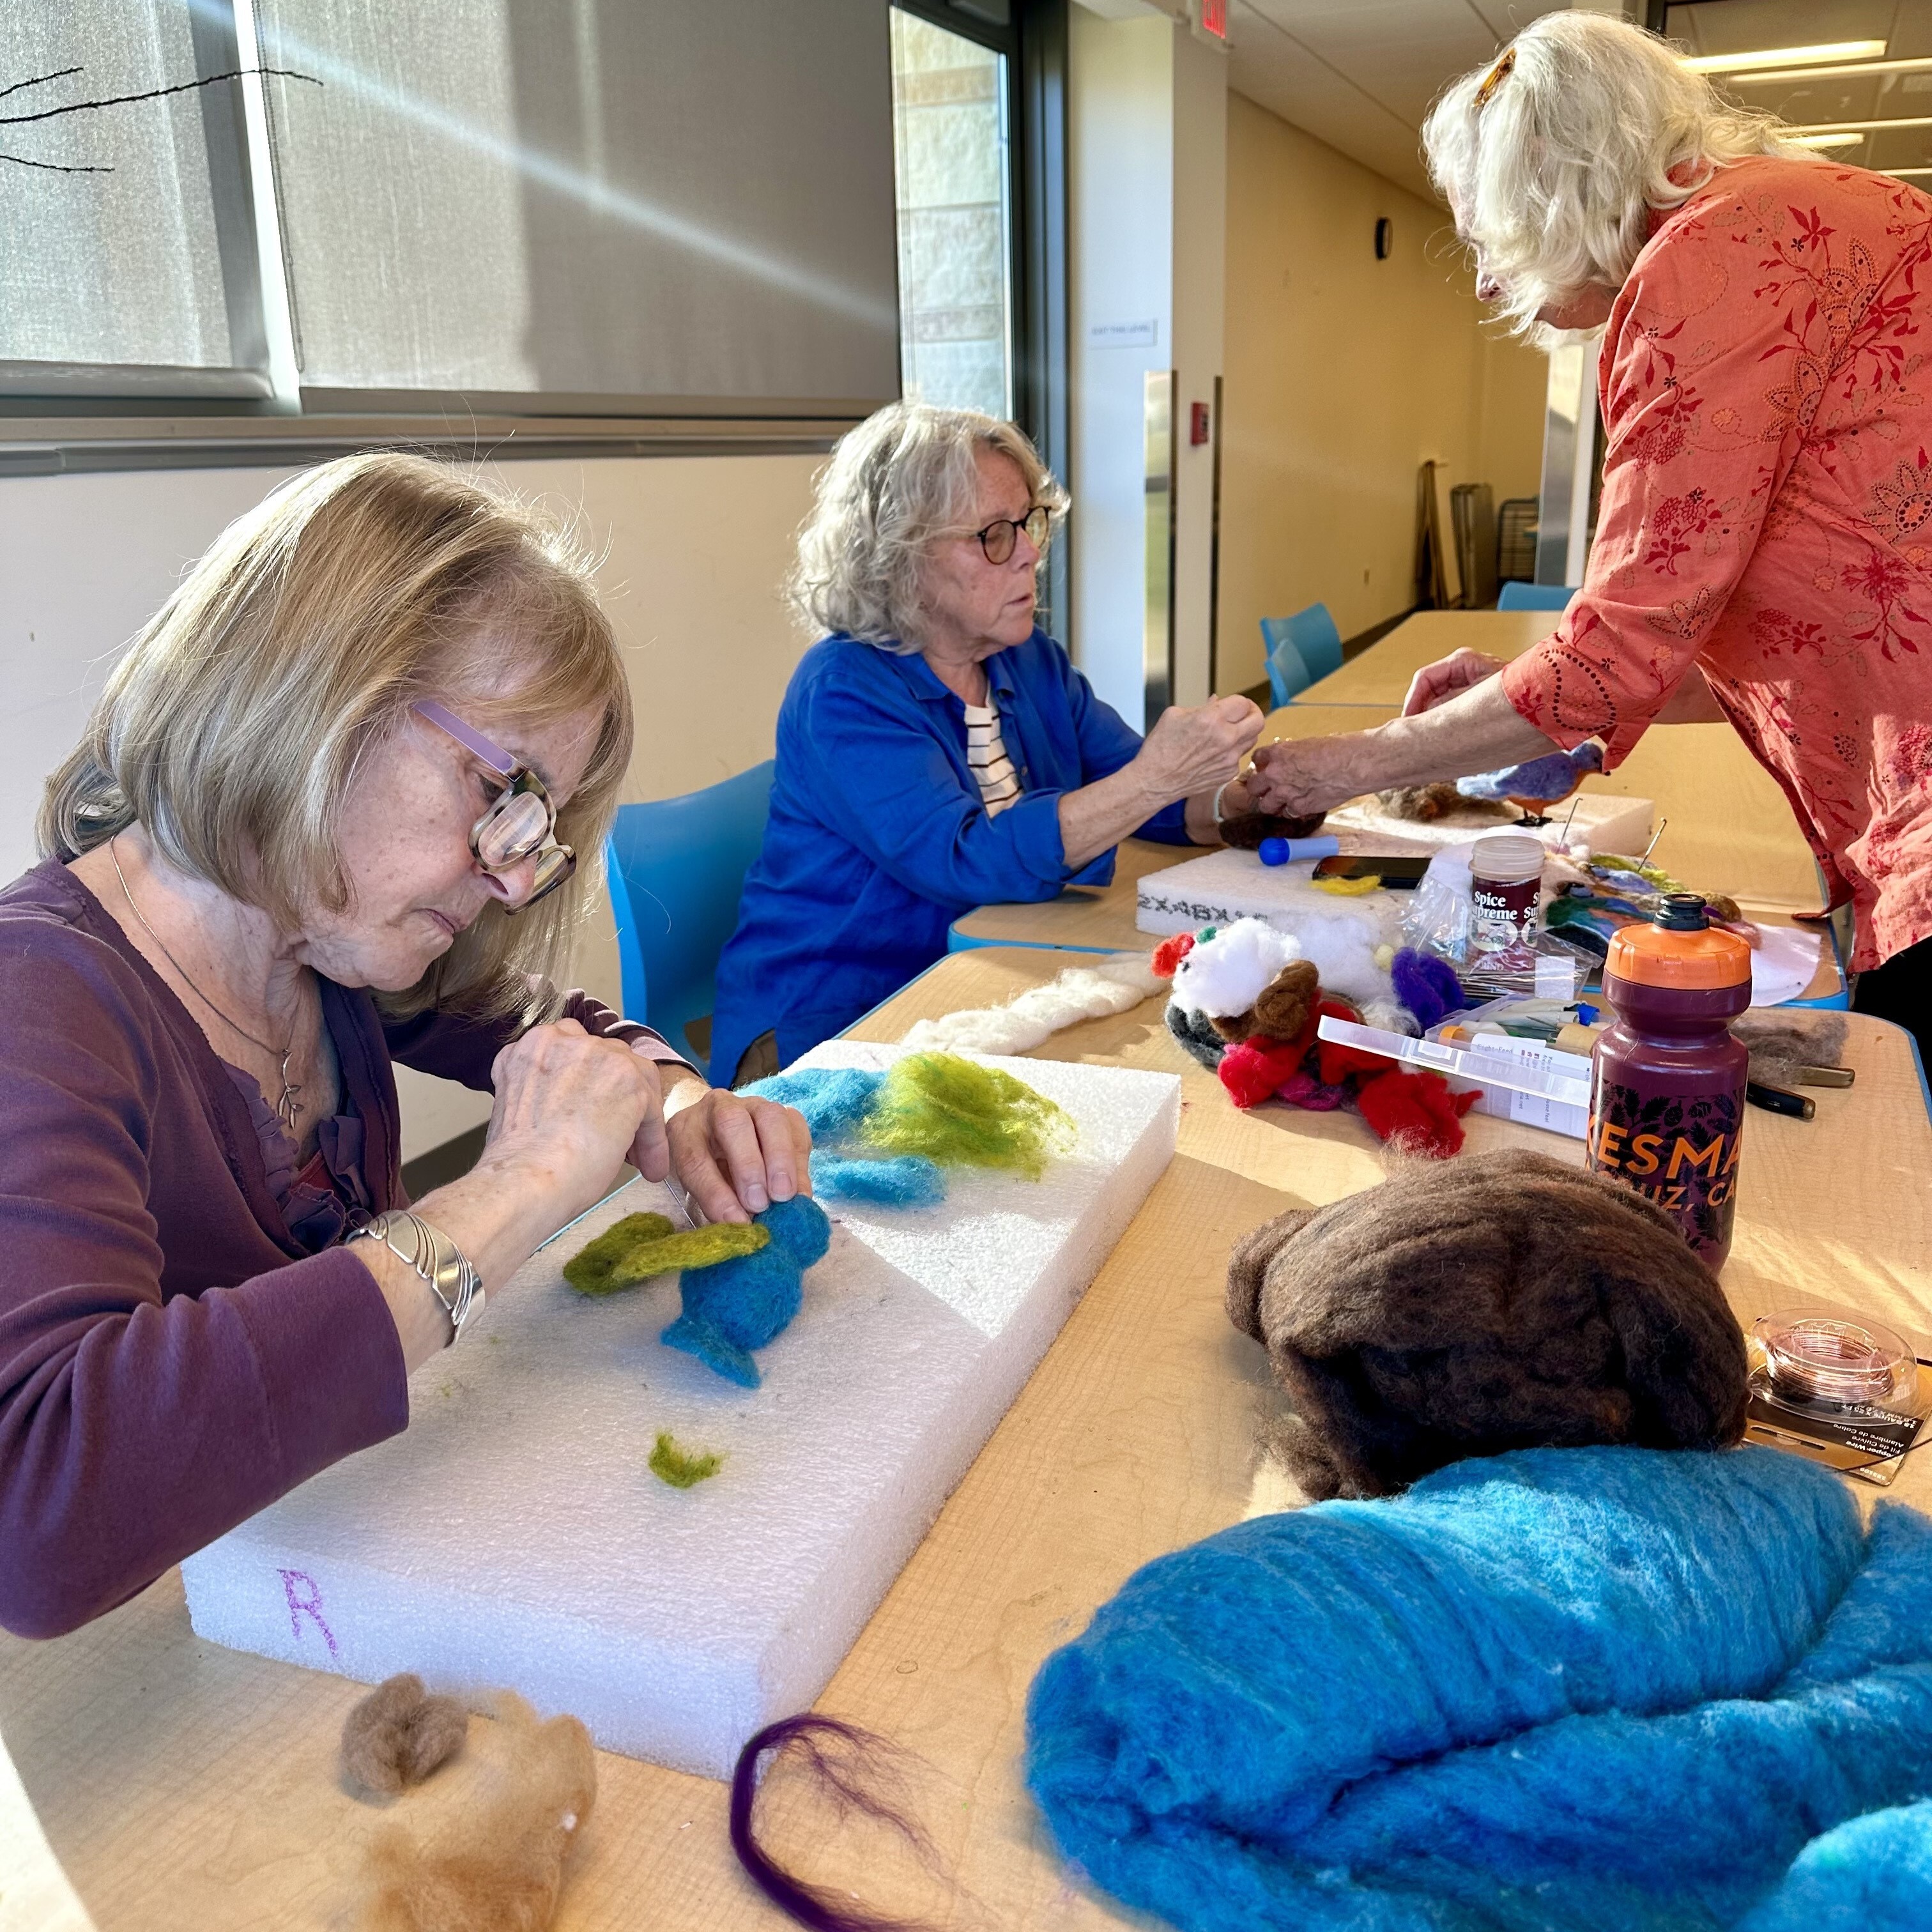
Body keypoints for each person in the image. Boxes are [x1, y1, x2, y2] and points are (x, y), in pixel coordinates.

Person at [0, 453, 810, 1637]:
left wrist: (681, 1100)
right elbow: (41, 1513)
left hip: (335, 1584)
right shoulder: (35, 1001)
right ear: (310, 689)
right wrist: (515, 1191)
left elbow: (550, 1021)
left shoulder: (330, 949)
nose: (510, 878)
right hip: (163, 1660)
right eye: (502, 792)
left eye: (538, 832)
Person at [1246, 13, 1932, 1060]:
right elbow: (1799, 626)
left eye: (1488, 239)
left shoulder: (1710, 256)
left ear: (1551, 182)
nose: (1488, 282)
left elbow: (1615, 650)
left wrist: (1338, 768)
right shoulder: (1808, 215)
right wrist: (1553, 720)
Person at [709, 402, 1264, 1084]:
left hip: (982, 984)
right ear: (899, 557)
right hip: (835, 1018)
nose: (1030, 552)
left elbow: (1143, 794)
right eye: (994, 535)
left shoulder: (1029, 660)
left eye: (1029, 522)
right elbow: (964, 858)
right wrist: (1156, 778)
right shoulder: (843, 690)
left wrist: (1243, 802)